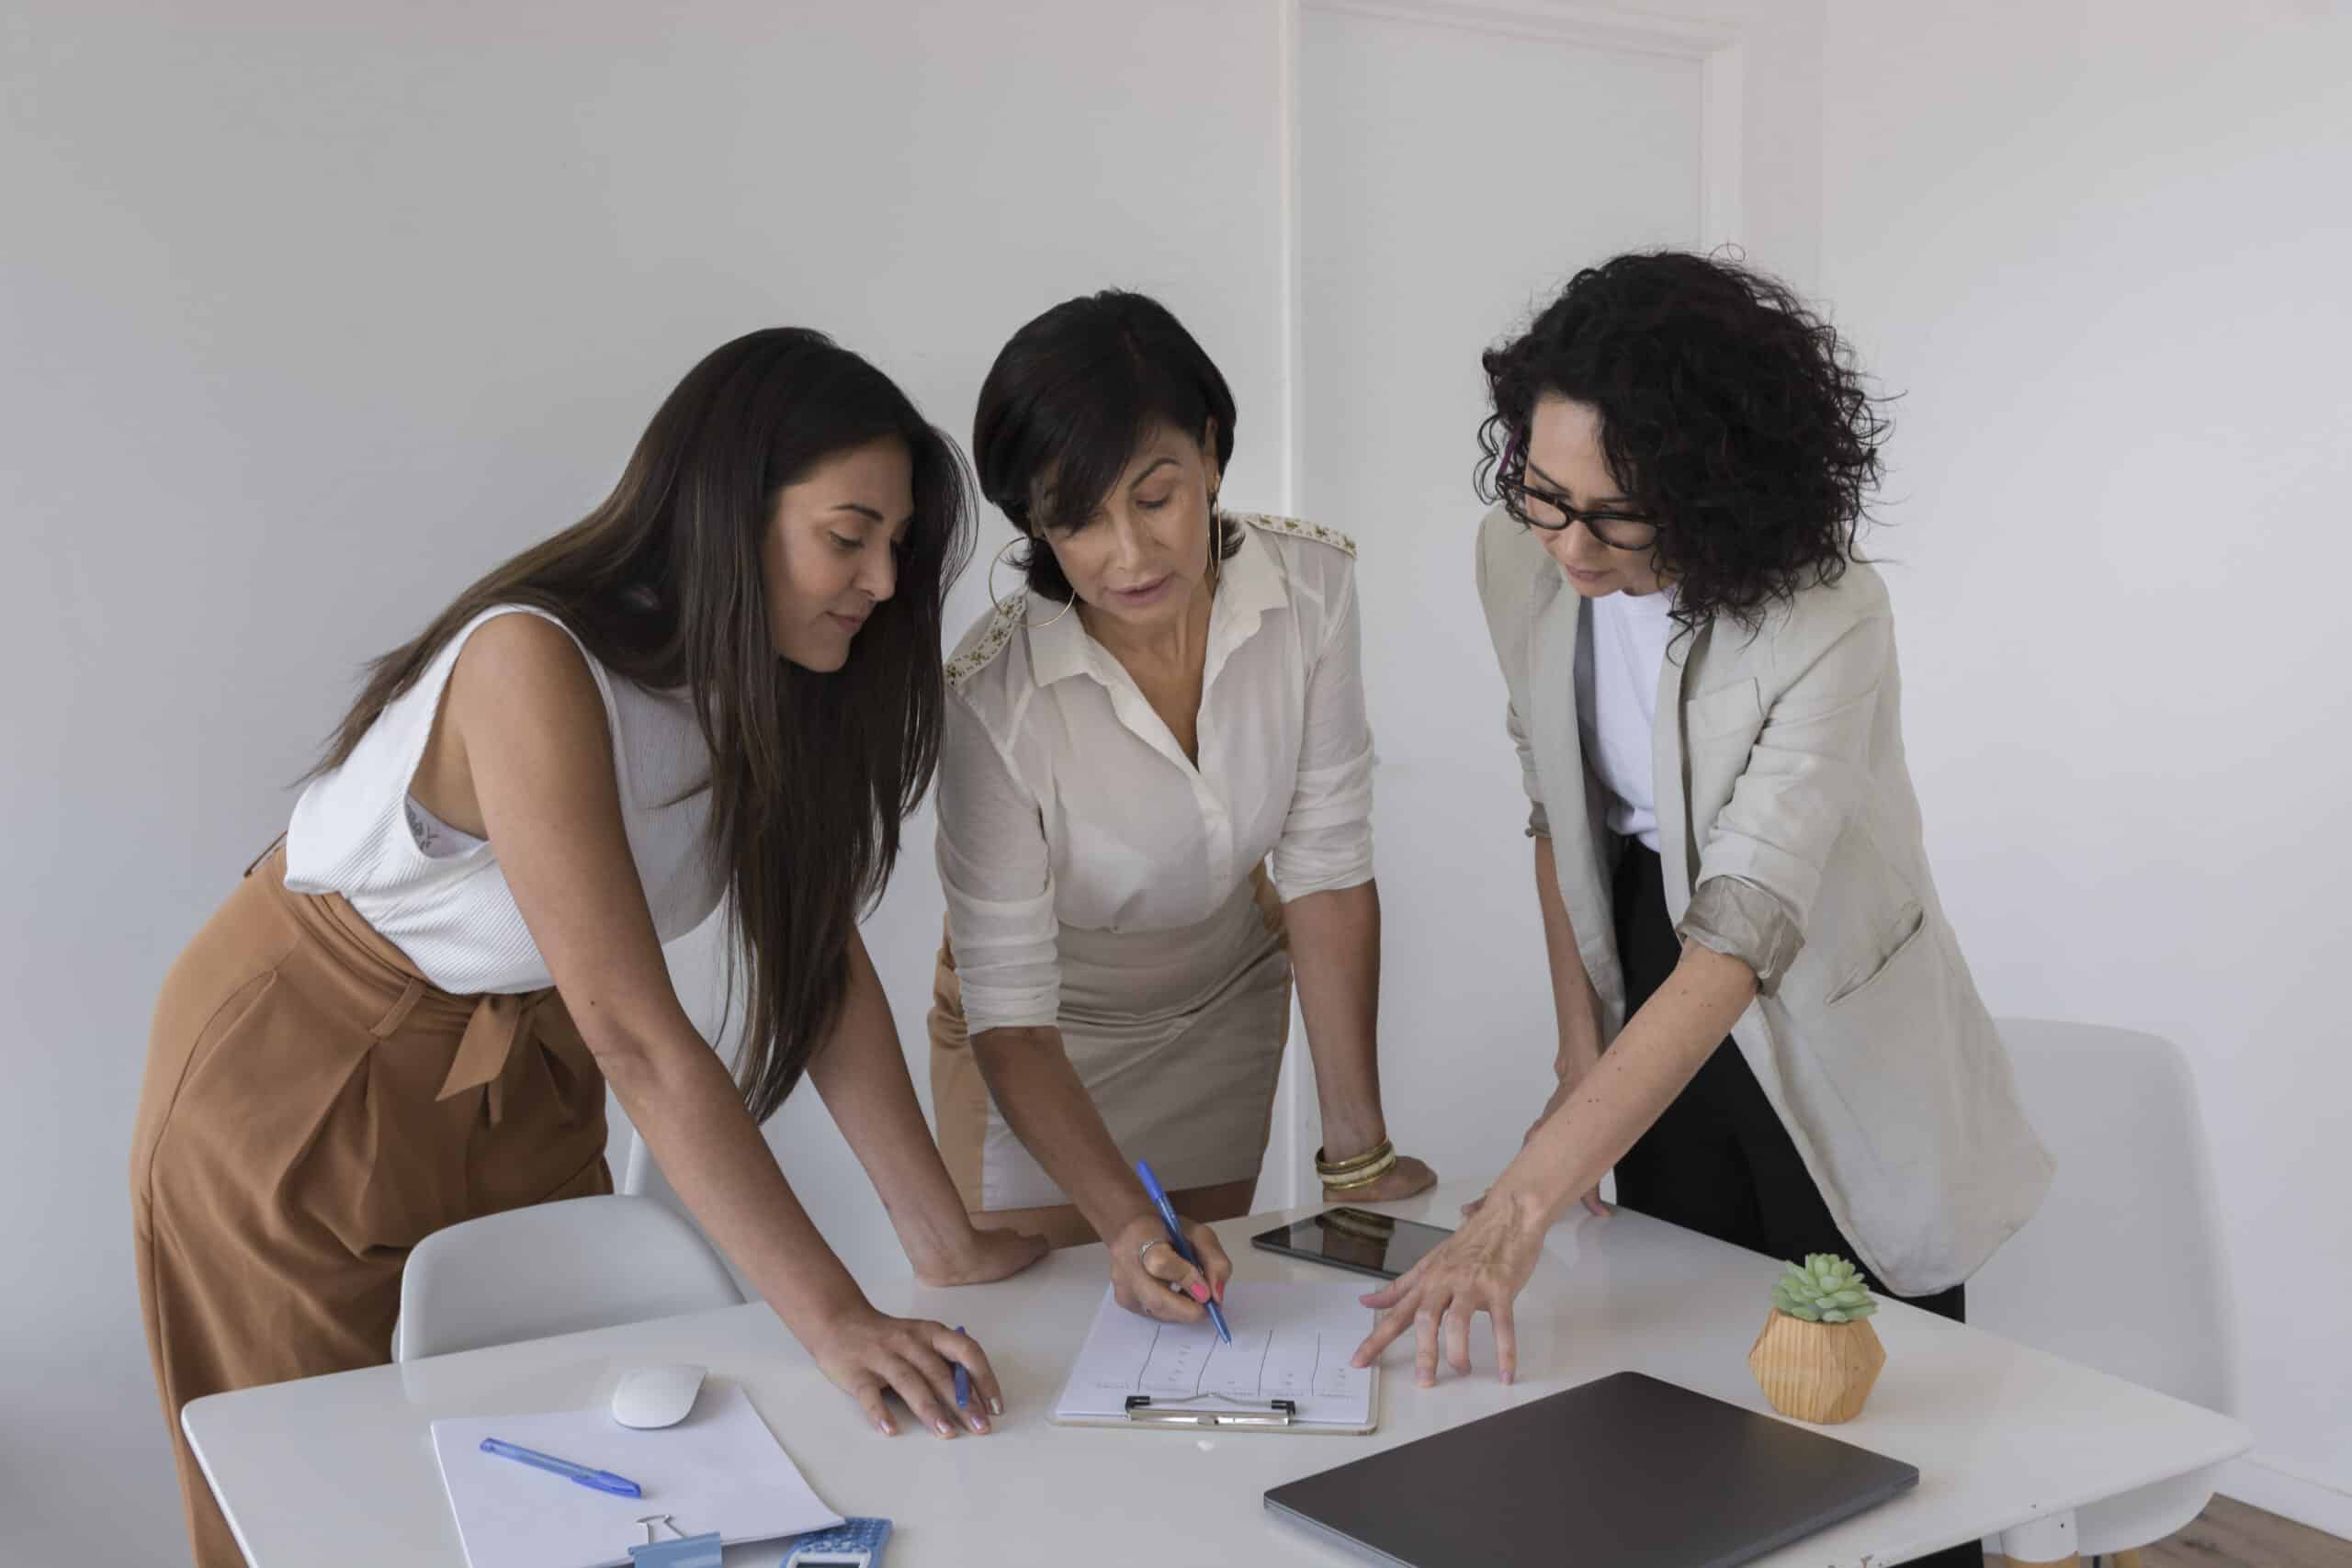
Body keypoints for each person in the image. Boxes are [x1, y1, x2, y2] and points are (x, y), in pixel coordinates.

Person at [130, 328, 1048, 1568]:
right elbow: (637, 1029)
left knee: (577, 1480)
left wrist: (941, 1236)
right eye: (850, 535)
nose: (883, 581)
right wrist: (832, 1314)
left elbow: (818, 972)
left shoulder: (770, 681)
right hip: (306, 1062)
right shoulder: (533, 661)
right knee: (329, 1506)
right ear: (730, 508)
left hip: (523, 1056)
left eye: (897, 546)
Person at [1354, 256, 2051, 1568]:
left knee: (1889, 1455)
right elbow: (1560, 813)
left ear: (1714, 490)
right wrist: (1578, 1057)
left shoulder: (1830, 616)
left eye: (1611, 517)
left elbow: (1739, 932)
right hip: (1642, 971)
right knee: (1689, 1408)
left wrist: (1518, 1206)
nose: (1566, 543)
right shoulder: (1522, 557)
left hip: (1821, 1003)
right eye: (1540, 490)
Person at [927, 290, 1434, 1328]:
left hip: (1224, 1000)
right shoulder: (990, 697)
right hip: (1043, 1044)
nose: (1128, 554)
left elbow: (1328, 867)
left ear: (1209, 454)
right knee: (1056, 1332)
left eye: (1154, 499)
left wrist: (1357, 1158)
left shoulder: (1312, 589)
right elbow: (1011, 1011)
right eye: (1076, 519)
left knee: (1211, 1317)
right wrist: (1121, 1220)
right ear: (1032, 522)